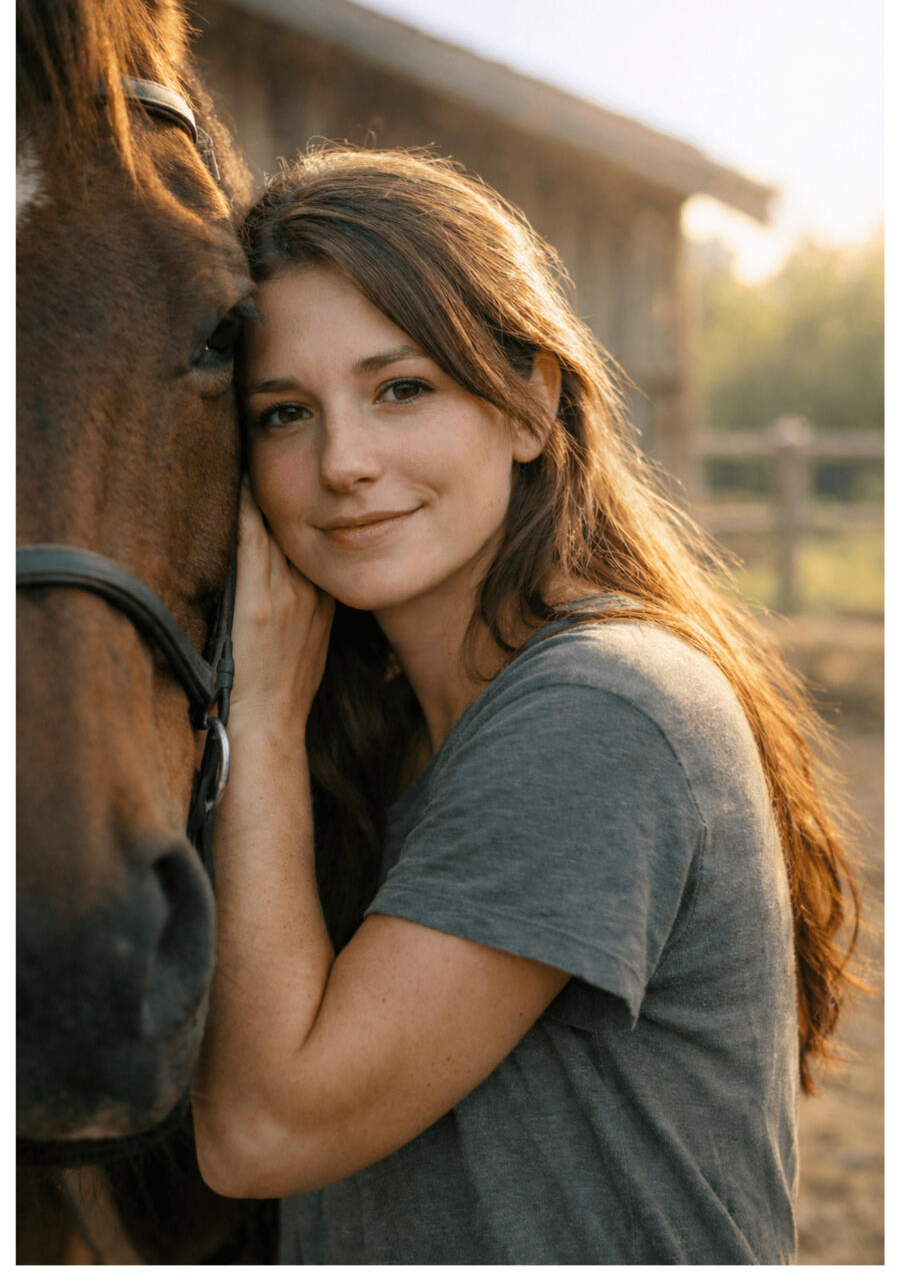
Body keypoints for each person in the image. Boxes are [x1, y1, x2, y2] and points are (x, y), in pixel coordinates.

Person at [192, 146, 861, 1265]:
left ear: (526, 405)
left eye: (400, 388)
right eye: (283, 413)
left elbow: (263, 1128)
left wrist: (256, 716)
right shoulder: (387, 732)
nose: (344, 460)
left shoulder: (600, 710)